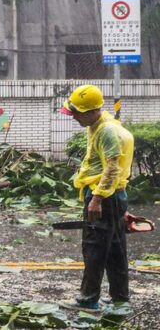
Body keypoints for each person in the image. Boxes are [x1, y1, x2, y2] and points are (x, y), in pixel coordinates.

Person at [62, 84, 134, 310]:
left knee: (94, 247)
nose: (74, 117)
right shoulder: (101, 124)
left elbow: (112, 169)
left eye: (77, 113)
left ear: (92, 111)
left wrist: (97, 199)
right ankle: (119, 297)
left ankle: (88, 299)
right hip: (114, 195)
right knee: (114, 248)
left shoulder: (106, 131)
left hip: (103, 195)